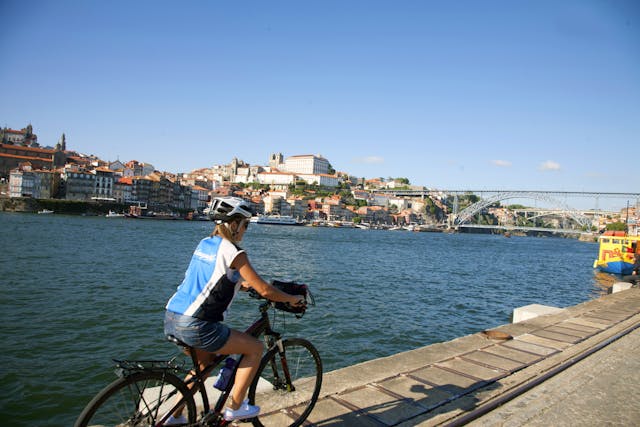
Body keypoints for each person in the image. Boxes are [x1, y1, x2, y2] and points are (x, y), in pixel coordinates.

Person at [163, 197, 305, 424]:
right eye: (245, 224)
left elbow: (216, 277)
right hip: (198, 325)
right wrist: (292, 298)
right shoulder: (234, 253)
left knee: (203, 367)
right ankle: (236, 408)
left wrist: (243, 284)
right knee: (256, 348)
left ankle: (174, 416)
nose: (245, 230)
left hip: (173, 316)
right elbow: (265, 290)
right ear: (234, 224)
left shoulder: (205, 244)